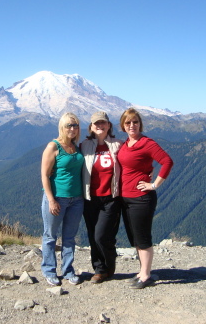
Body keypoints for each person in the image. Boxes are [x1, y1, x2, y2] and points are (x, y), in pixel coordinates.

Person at [117, 108, 174, 289]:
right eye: (128, 123)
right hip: (125, 198)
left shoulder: (147, 143)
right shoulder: (126, 144)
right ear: (123, 126)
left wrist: (154, 184)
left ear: (140, 124)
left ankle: (147, 275)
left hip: (141, 198)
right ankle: (142, 272)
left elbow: (167, 161)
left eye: (135, 122)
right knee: (135, 238)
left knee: (142, 238)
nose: (132, 125)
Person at [40, 112, 85, 286]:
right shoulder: (53, 146)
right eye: (69, 125)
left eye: (75, 125)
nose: (72, 128)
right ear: (62, 127)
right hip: (57, 197)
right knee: (50, 236)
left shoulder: (76, 147)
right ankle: (49, 270)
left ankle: (68, 271)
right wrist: (51, 200)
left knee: (69, 237)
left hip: (77, 199)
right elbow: (44, 175)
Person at [80, 112, 123, 284]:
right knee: (93, 235)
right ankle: (99, 269)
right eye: (96, 123)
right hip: (90, 198)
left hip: (111, 197)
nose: (100, 126)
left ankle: (108, 265)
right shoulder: (84, 145)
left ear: (109, 126)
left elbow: (131, 162)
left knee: (102, 235)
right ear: (91, 127)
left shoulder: (118, 145)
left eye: (103, 123)